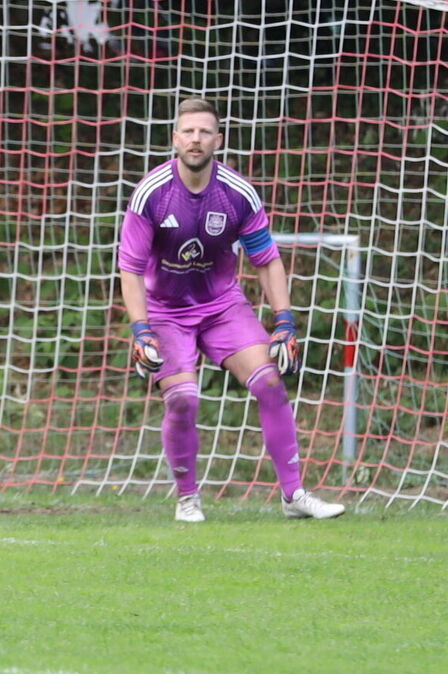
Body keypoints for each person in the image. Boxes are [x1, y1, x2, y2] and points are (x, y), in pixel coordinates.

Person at [118, 97, 345, 523]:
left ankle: (294, 495)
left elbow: (266, 259)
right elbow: (129, 268)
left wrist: (284, 321)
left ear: (218, 140)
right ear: (175, 139)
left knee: (270, 383)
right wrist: (141, 330)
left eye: (205, 132)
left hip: (222, 307)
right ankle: (188, 498)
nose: (196, 139)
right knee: (183, 400)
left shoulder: (237, 193)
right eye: (188, 131)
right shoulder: (152, 194)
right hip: (165, 311)